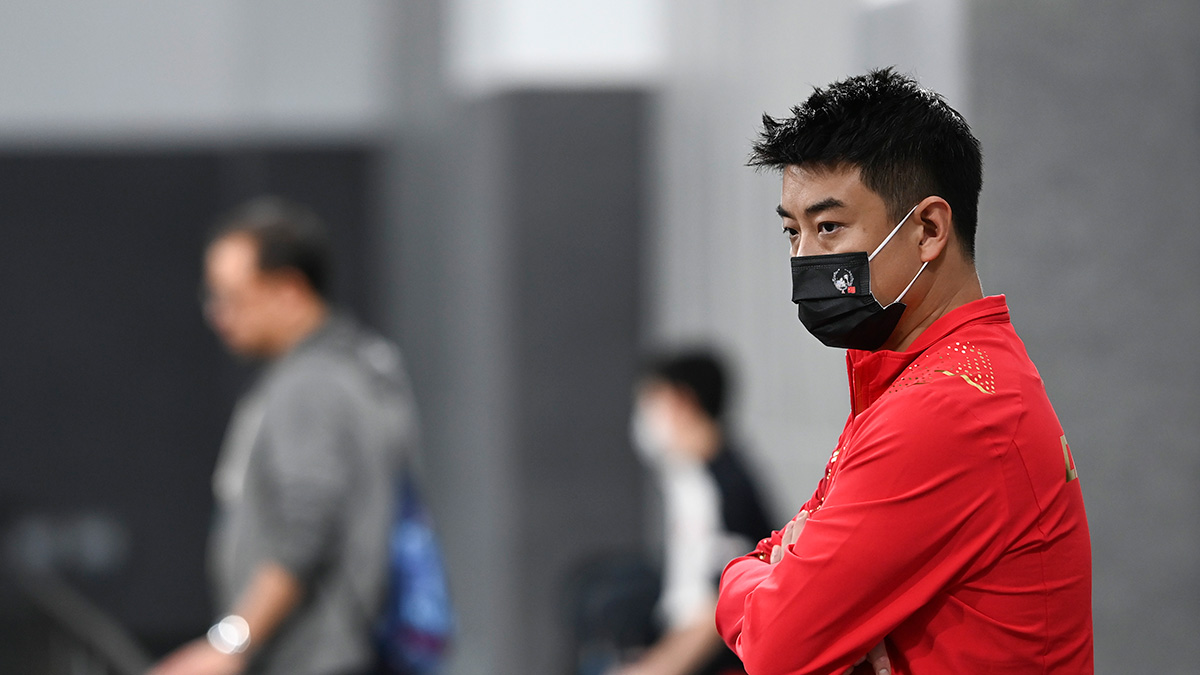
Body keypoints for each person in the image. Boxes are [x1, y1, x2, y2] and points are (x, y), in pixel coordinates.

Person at [714, 68, 1093, 674]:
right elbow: (775, 558)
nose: (803, 258)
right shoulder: (928, 378)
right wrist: (767, 574)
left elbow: (774, 648)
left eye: (829, 227)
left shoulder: (944, 410)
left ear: (928, 230)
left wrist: (743, 582)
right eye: (791, 232)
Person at [151, 198, 420, 675]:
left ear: (289, 291)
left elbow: (306, 531)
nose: (218, 315)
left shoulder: (309, 385)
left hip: (314, 660)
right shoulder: (358, 364)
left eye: (231, 297)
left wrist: (230, 643)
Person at [605, 351, 772, 675]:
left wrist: (654, 669)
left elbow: (716, 609)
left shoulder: (721, 489)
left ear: (683, 402)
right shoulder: (688, 476)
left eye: (652, 401)